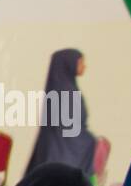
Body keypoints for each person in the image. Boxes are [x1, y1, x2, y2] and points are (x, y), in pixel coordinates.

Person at [24, 49, 95, 178]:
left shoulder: (64, 88)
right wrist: (91, 141)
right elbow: (69, 130)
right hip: (61, 157)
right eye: (81, 62)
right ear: (69, 64)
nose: (84, 66)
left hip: (55, 154)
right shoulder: (65, 93)